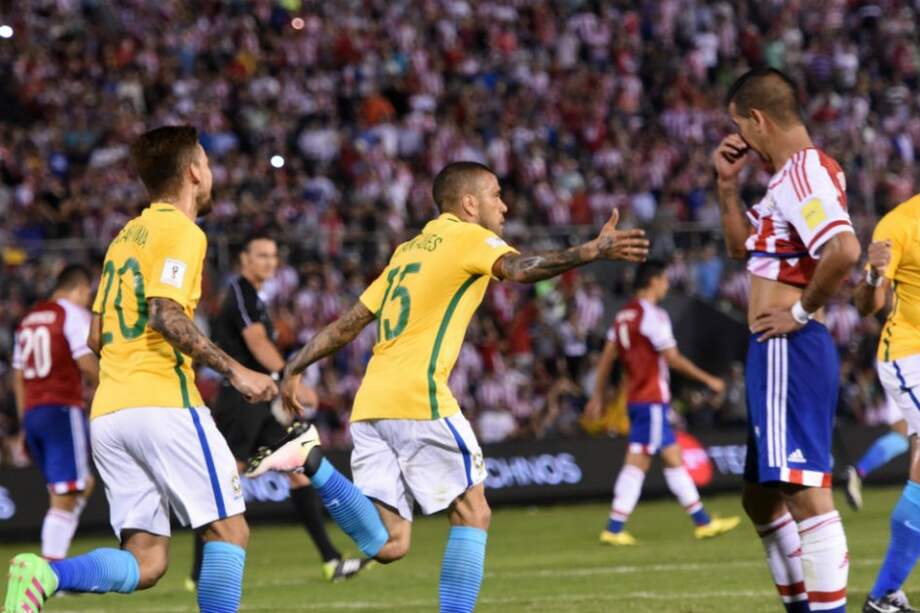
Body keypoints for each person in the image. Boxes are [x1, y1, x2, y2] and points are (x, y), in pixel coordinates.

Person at [244, 161, 649, 612]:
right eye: (496, 194)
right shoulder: (467, 237)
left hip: (371, 404)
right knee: (474, 513)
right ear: (469, 203)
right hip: (419, 398)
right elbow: (519, 269)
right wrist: (589, 252)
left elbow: (348, 324)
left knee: (390, 544)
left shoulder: (407, 251)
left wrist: (296, 364)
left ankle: (313, 461)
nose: (505, 204)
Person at [4, 125, 277, 613]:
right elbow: (166, 314)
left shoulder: (125, 237)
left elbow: (95, 335)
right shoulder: (182, 231)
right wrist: (237, 372)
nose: (211, 174)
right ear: (194, 171)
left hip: (110, 413)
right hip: (163, 403)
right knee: (229, 530)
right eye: (208, 165)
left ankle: (46, 573)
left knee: (147, 560)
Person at [713, 68, 861, 613]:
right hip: (776, 350)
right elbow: (740, 249)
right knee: (759, 498)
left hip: (787, 347)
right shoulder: (786, 182)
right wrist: (726, 188)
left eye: (739, 126)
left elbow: (843, 251)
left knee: (805, 497)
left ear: (758, 119)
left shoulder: (803, 171)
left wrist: (799, 310)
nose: (738, 140)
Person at [187, 233, 367, 586]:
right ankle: (196, 573)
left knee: (296, 469)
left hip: (258, 399)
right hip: (240, 400)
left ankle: (331, 560)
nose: (270, 261)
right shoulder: (240, 292)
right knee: (227, 478)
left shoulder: (254, 296)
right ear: (244, 260)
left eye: (273, 256)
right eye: (262, 255)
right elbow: (256, 341)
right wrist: (291, 377)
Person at [585, 259, 738, 544]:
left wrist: (597, 394)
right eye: (665, 279)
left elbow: (608, 355)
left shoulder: (623, 315)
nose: (667, 285)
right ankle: (614, 527)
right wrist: (709, 380)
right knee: (638, 460)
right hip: (651, 399)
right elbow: (673, 359)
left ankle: (702, 521)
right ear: (654, 280)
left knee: (672, 458)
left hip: (638, 399)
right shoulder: (652, 316)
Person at [853, 194, 920, 612]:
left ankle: (886, 595)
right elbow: (866, 306)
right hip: (910, 356)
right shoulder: (898, 224)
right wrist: (876, 276)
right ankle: (882, 593)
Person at [11, 265, 98, 562]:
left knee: (77, 486)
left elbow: (18, 373)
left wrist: (25, 419)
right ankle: (51, 570)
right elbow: (86, 364)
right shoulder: (72, 315)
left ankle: (55, 559)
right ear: (80, 289)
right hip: (62, 409)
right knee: (67, 495)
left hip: (34, 413)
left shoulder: (28, 319)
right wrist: (108, 385)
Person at [843, 395, 910, 512]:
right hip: (908, 380)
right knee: (901, 437)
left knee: (903, 439)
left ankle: (858, 472)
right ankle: (858, 471)